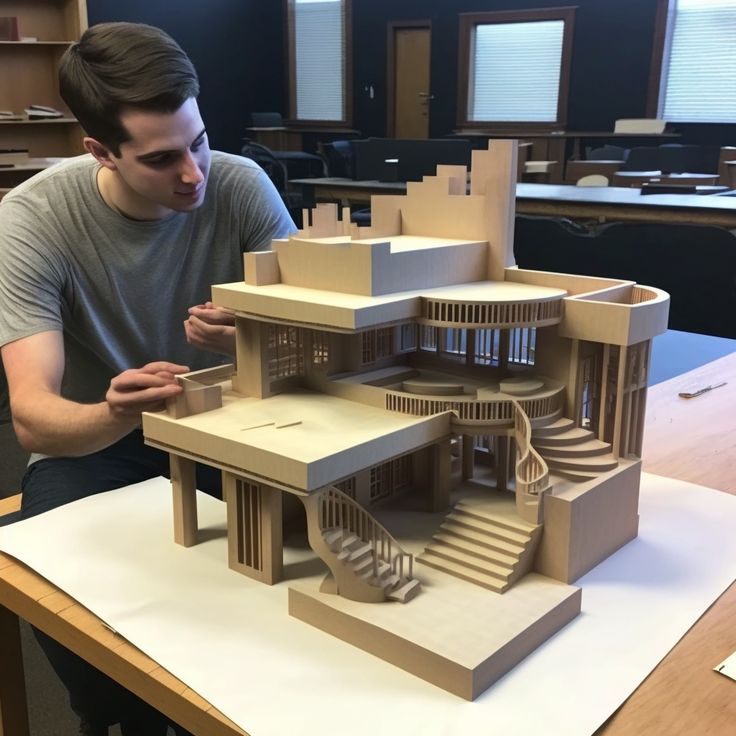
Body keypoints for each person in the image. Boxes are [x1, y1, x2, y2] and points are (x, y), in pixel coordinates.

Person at [0, 21, 295, 736]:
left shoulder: (242, 185)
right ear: (98, 149)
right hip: (103, 441)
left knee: (308, 562)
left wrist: (264, 335)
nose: (194, 173)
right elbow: (35, 417)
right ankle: (116, 715)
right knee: (72, 587)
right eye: (163, 158)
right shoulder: (33, 218)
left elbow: (326, 339)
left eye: (197, 141)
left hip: (232, 422)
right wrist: (115, 410)